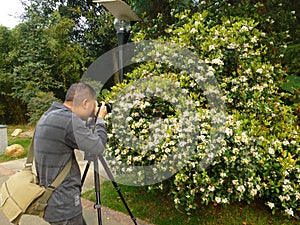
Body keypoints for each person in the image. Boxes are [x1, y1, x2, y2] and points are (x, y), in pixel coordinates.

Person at [34, 83, 108, 225]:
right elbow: (97, 147)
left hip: (51, 199)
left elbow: (76, 135)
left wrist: (92, 120)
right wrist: (100, 120)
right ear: (85, 103)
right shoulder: (69, 121)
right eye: (94, 106)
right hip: (63, 206)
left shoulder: (51, 114)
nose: (95, 110)